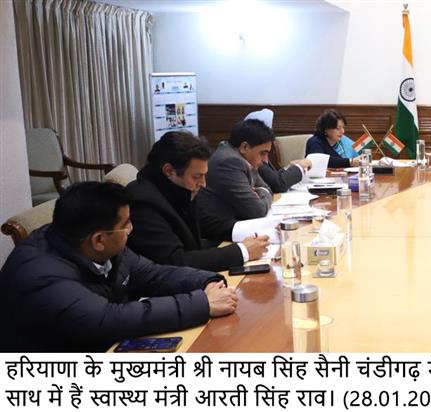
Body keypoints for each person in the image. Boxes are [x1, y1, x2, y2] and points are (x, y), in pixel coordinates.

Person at [0, 182, 238, 352]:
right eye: (126, 224)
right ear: (99, 239)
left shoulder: (98, 245)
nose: (131, 229)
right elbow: (107, 320)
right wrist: (202, 303)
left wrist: (207, 281)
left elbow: (152, 273)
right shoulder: (41, 274)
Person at [127, 131, 270, 272]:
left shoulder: (176, 188)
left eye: (204, 175)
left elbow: (206, 224)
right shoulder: (142, 203)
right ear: (169, 171)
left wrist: (257, 229)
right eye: (196, 177)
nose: (203, 184)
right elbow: (175, 261)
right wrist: (242, 251)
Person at [196, 118, 275, 223]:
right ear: (245, 147)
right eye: (263, 153)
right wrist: (262, 192)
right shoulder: (229, 162)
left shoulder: (243, 158)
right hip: (221, 229)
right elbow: (257, 210)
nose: (265, 160)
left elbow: (267, 189)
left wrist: (260, 192)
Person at [244, 108, 312, 193]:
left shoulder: (259, 151)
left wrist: (290, 167)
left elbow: (273, 177)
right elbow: (279, 184)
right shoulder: (254, 156)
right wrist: (300, 166)